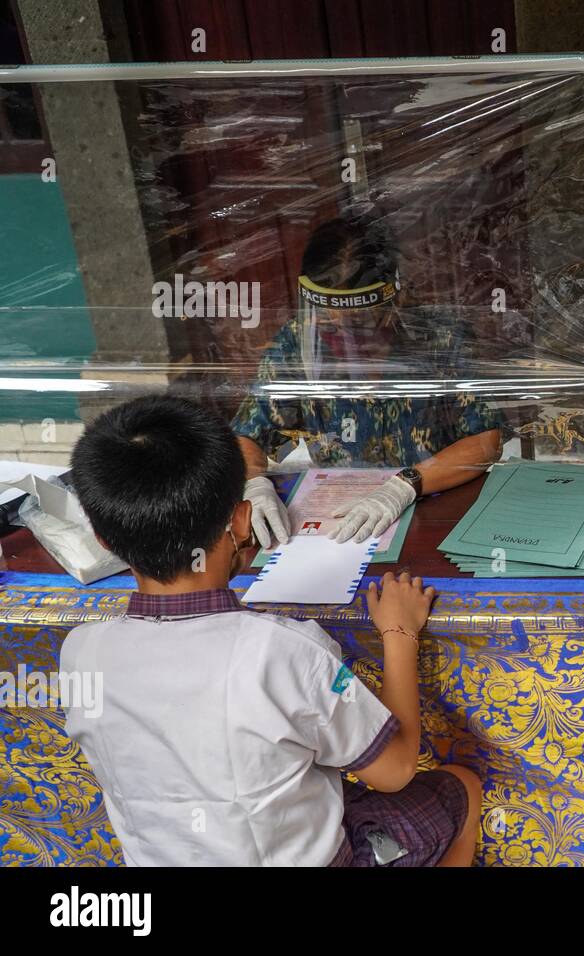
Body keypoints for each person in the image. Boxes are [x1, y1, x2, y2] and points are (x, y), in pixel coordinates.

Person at [63, 395, 482, 866]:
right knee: (460, 788)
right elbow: (398, 768)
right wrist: (399, 633)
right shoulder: (285, 650)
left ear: (103, 538)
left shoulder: (81, 652)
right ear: (242, 519)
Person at [233, 213, 503, 549]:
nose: (341, 330)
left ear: (392, 298)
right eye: (328, 316)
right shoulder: (298, 344)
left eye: (359, 320)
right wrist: (255, 484)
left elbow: (486, 440)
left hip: (434, 502)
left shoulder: (439, 340)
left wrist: (403, 486)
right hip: (336, 519)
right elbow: (247, 435)